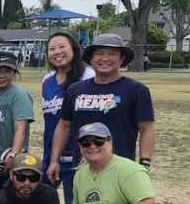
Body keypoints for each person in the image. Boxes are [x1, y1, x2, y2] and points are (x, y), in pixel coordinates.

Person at [49, 33, 155, 180]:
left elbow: (146, 128)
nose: (105, 59)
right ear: (91, 59)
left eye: (112, 54)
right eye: (99, 53)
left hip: (120, 169)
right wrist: (54, 161)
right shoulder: (75, 90)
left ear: (122, 59)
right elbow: (64, 126)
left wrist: (144, 164)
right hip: (81, 168)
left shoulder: (136, 90)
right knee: (75, 203)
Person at [40, 31, 95, 204]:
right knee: (43, 201)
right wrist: (51, 156)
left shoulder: (87, 76)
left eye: (62, 47)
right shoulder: (47, 80)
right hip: (52, 151)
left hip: (79, 153)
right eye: (52, 48)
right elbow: (53, 122)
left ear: (74, 48)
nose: (57, 52)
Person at [0, 52, 34, 194]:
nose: (2, 75)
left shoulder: (19, 95)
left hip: (5, 165)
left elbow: (20, 129)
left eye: (7, 71)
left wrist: (13, 155)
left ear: (14, 73)